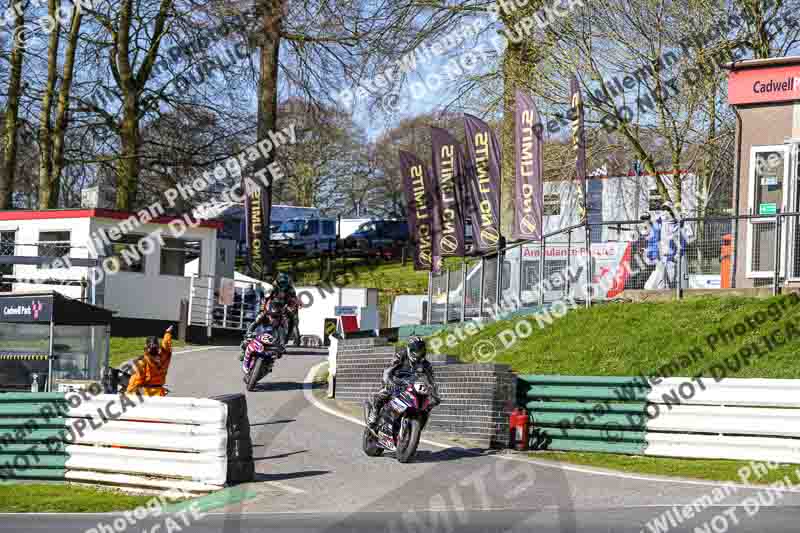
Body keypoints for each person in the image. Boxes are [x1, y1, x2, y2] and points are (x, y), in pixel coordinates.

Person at [367, 336, 440, 430]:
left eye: (421, 350)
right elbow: (388, 370)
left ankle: (417, 425)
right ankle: (374, 414)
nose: (418, 353)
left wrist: (435, 394)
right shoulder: (400, 356)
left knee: (426, 405)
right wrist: (388, 382)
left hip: (412, 386)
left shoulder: (426, 364)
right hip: (396, 382)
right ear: (410, 349)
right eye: (416, 350)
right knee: (383, 394)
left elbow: (432, 381)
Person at [239, 274, 299, 360]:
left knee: (292, 320)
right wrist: (262, 308)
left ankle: (285, 341)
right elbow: (265, 298)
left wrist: (291, 308)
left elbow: (294, 301)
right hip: (271, 306)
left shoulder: (291, 290)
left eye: (284, 283)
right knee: (259, 317)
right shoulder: (272, 288)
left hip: (282, 308)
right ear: (277, 282)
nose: (283, 285)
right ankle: (248, 335)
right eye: (281, 283)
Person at [126, 326, 173, 397]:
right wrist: (167, 333)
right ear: (158, 347)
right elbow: (167, 346)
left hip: (148, 394)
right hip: (160, 393)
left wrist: (129, 392)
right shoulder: (165, 357)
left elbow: (136, 379)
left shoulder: (143, 361)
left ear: (147, 347)